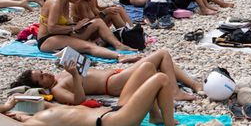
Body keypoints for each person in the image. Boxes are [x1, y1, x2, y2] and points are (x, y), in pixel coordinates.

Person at [0, 61, 177, 126]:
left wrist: (15, 100)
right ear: (11, 117)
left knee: (147, 67)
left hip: (115, 113)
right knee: (161, 79)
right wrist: (6, 107)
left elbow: (31, 101)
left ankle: (155, 116)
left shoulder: (44, 108)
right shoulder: (35, 123)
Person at [11, 49, 202, 103]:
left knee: (160, 62)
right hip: (113, 84)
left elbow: (88, 69)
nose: (45, 73)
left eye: (42, 71)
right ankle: (174, 92)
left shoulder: (61, 73)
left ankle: (194, 85)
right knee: (162, 54)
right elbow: (78, 100)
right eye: (41, 77)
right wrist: (75, 77)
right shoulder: (57, 88)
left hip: (116, 75)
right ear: (41, 86)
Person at [38, 0, 138, 59]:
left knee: (98, 22)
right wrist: (74, 27)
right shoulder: (55, 2)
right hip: (48, 40)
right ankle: (120, 57)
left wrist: (77, 25)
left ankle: (119, 45)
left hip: (65, 34)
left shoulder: (65, 2)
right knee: (88, 46)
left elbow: (62, 23)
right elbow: (51, 28)